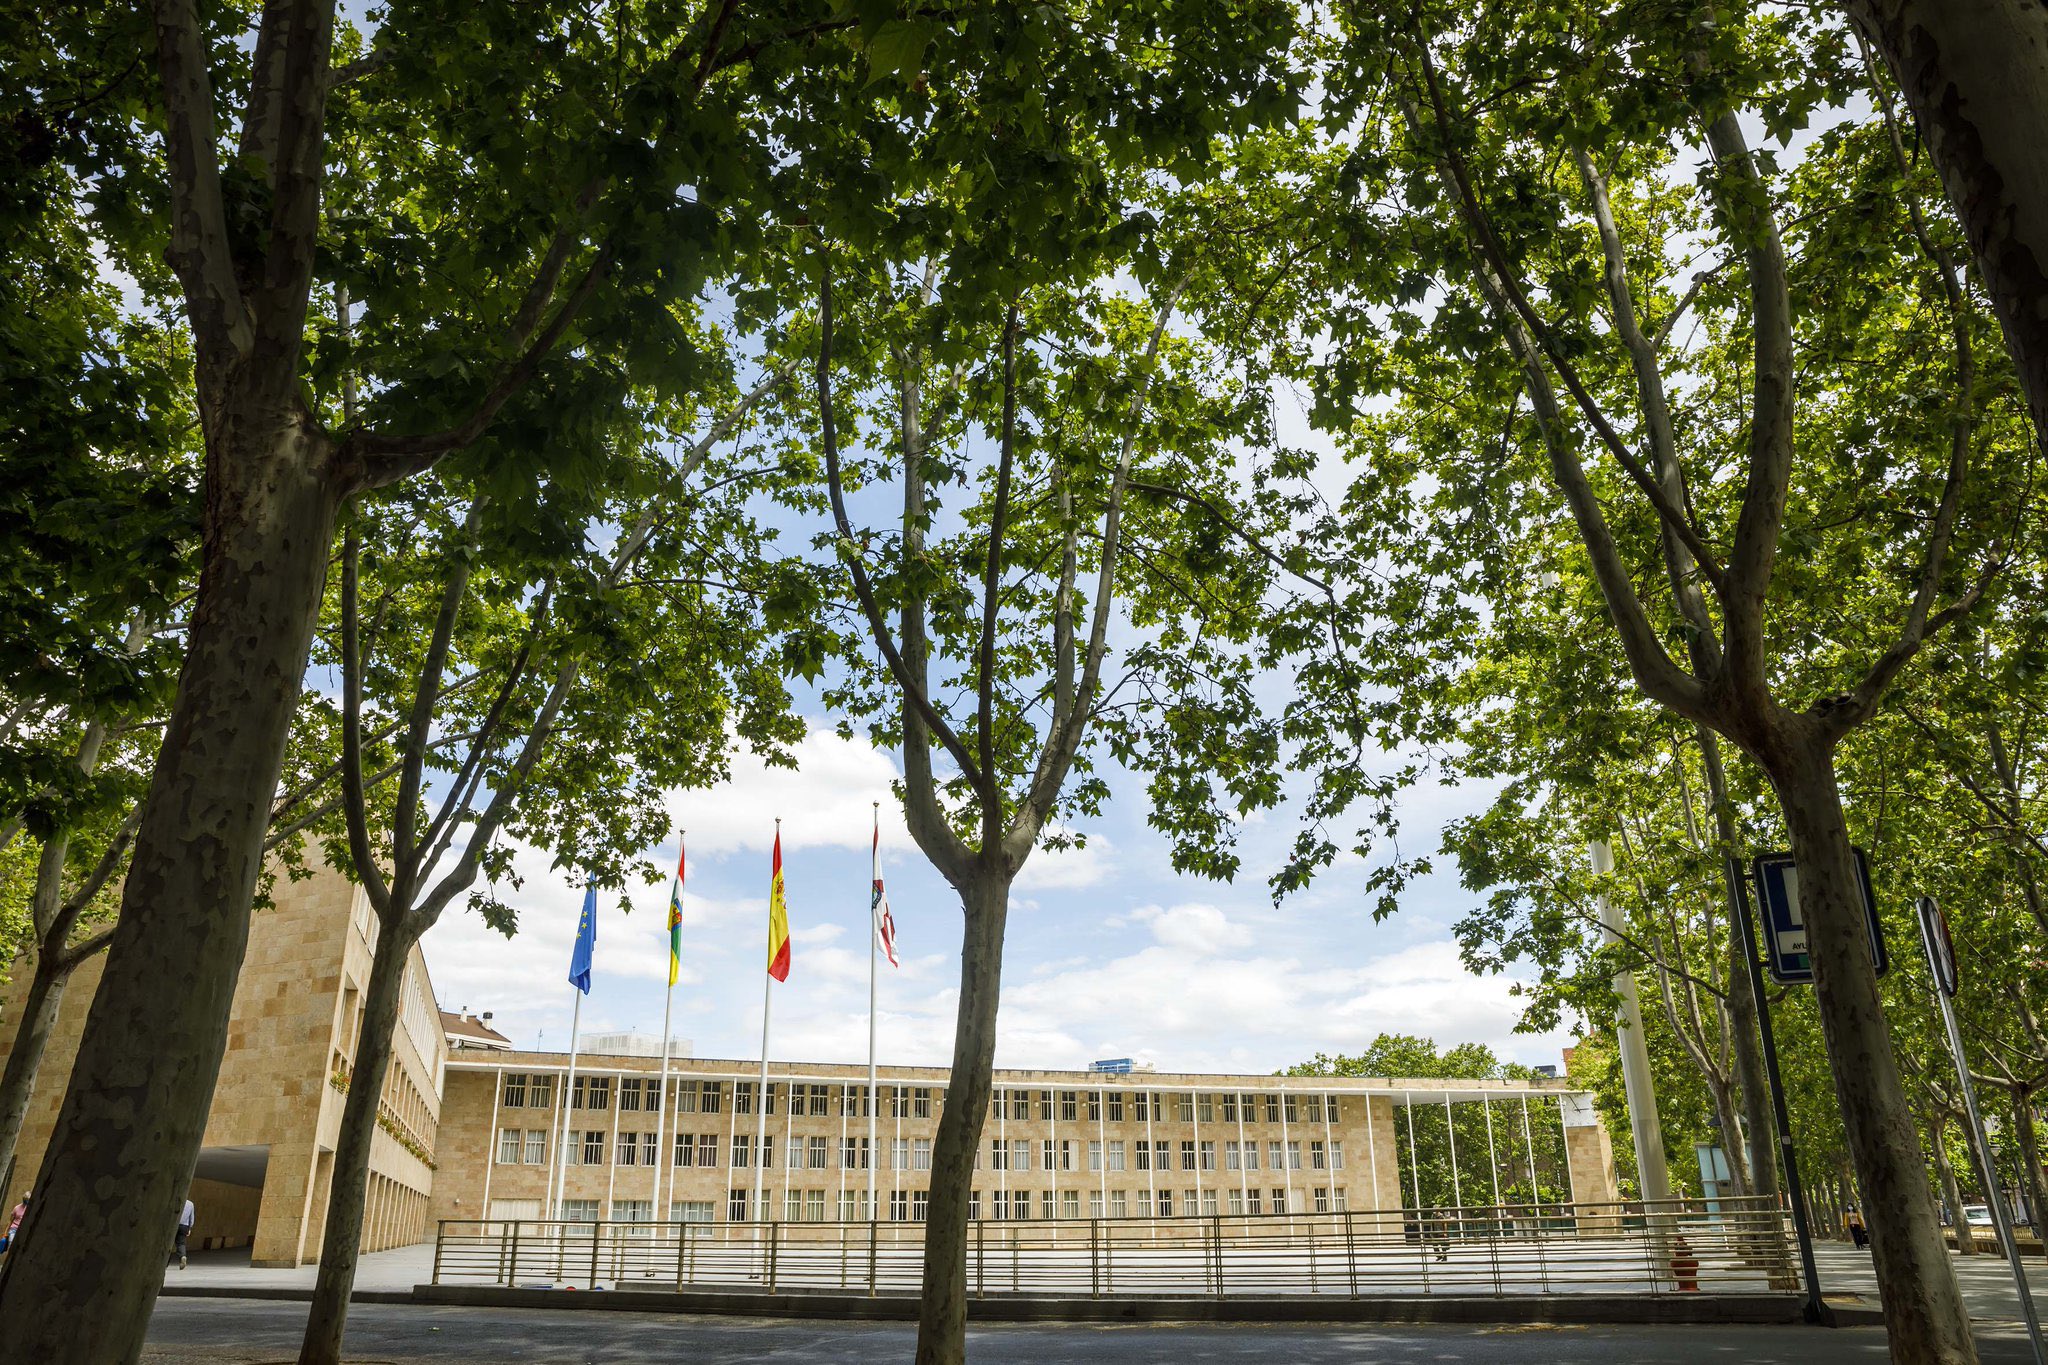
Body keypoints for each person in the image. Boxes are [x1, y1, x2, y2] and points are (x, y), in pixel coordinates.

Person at [174, 1195, 196, 1269]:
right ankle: (182, 1256)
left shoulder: (175, 1201)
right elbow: (192, 1218)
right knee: (181, 1243)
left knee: (168, 1244)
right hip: (184, 1226)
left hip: (174, 1224)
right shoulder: (190, 1204)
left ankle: (165, 1263)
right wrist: (189, 1228)